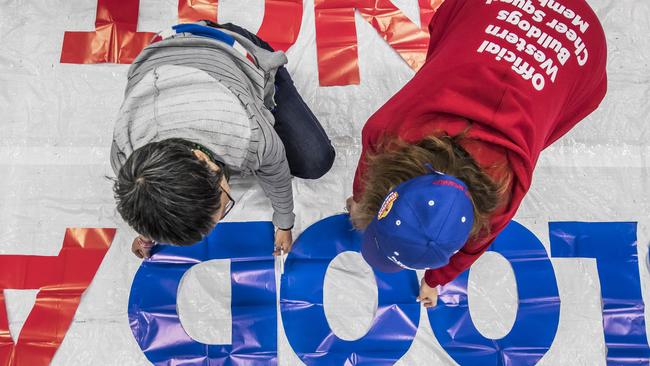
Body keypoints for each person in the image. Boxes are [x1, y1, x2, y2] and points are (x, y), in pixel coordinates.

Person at [347, 0, 607, 307]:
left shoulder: (504, 195)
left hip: (582, 39)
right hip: (578, 38)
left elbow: (471, 248)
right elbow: (470, 249)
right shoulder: (388, 130)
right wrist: (363, 201)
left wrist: (434, 279)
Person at [111, 21, 335, 258]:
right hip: (164, 51)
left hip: (233, 49)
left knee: (315, 160)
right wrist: (148, 233)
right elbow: (144, 194)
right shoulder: (128, 159)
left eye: (224, 205)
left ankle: (247, 51)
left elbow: (276, 171)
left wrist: (284, 223)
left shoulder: (247, 133)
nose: (222, 209)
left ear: (201, 158)